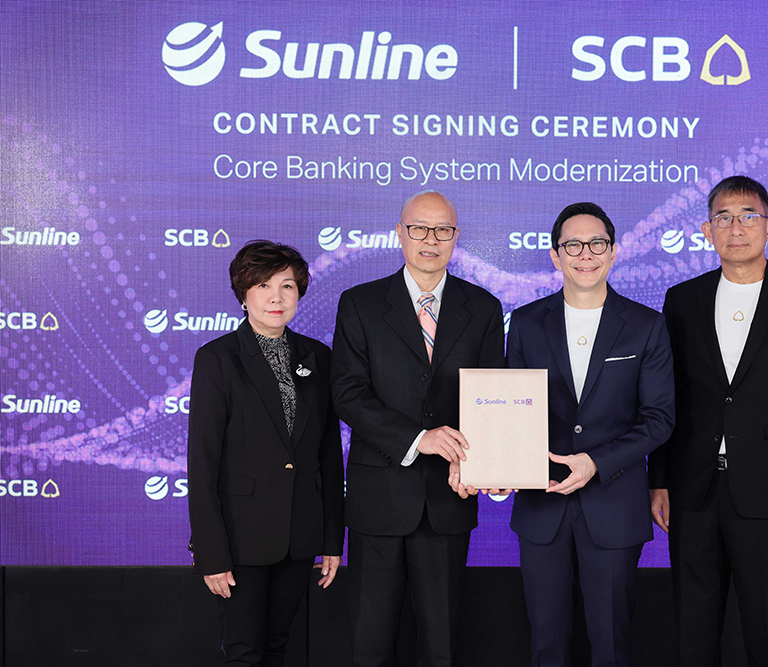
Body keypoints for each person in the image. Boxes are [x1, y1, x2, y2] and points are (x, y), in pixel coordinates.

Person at [648, 175, 768, 667]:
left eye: (749, 216)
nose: (737, 228)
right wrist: (659, 479)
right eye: (724, 217)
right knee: (692, 632)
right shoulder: (682, 299)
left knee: (767, 632)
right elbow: (667, 397)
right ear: (707, 231)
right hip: (692, 490)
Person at [331, 190, 505, 667]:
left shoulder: (483, 307)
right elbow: (347, 393)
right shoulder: (360, 303)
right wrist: (418, 438)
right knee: (370, 644)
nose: (431, 239)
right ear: (400, 233)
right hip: (378, 499)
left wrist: (484, 461)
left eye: (443, 230)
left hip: (449, 497)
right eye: (419, 229)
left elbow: (491, 396)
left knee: (441, 646)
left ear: (456, 237)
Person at [504, 202, 675, 666]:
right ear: (555, 255)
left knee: (612, 644)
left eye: (597, 243)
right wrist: (502, 464)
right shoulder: (525, 323)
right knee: (545, 643)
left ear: (614, 251)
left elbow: (659, 418)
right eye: (573, 245)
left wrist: (596, 462)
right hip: (541, 503)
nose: (586, 254)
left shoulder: (645, 325)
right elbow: (510, 409)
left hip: (614, 504)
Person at [188, 240, 345, 666]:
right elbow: (202, 463)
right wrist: (211, 554)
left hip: (300, 535)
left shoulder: (319, 356)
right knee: (244, 651)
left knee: (279, 645)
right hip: (240, 538)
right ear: (244, 294)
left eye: (287, 286)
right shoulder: (217, 358)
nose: (276, 297)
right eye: (263, 286)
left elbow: (329, 456)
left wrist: (332, 539)